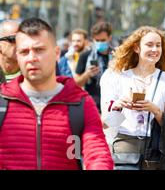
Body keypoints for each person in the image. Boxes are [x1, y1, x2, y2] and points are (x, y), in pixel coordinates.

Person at [0, 18, 113, 170]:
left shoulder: (80, 103)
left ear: (56, 53)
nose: (32, 58)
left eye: (39, 50)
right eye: (24, 51)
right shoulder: (3, 100)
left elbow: (97, 152)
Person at [100, 26, 165, 170]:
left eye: (158, 45)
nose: (155, 49)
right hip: (125, 144)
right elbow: (105, 124)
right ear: (137, 48)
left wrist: (154, 110)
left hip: (155, 148)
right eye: (149, 45)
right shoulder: (119, 78)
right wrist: (118, 105)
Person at [75, 22, 114, 110]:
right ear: (93, 39)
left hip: (112, 105)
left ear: (109, 38)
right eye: (97, 40)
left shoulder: (117, 56)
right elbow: (76, 84)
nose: (100, 43)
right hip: (91, 105)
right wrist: (87, 74)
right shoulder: (85, 56)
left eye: (103, 40)